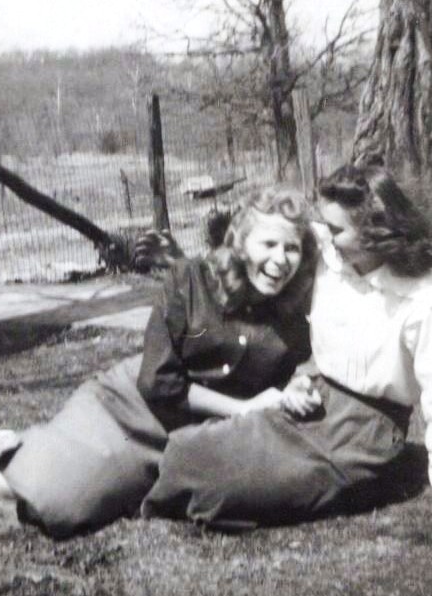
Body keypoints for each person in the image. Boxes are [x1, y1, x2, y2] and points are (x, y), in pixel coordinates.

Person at [0, 187, 319, 539]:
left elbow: (303, 368)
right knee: (49, 501)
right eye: (268, 244)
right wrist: (243, 408)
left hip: (196, 437)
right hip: (130, 409)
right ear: (240, 244)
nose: (281, 259)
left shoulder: (295, 315)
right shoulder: (190, 280)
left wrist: (298, 385)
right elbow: (159, 382)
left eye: (292, 248)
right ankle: (5, 446)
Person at [140, 164, 432, 526]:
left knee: (217, 487)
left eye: (335, 229)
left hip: (367, 429)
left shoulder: (420, 296)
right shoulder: (332, 258)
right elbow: (254, 238)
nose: (323, 235)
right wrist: (180, 259)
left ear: (371, 229)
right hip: (313, 398)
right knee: (192, 450)